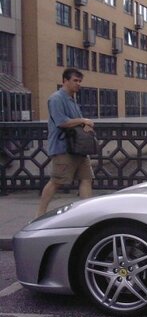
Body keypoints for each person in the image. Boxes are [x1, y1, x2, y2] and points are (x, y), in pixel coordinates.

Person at [36, 68, 95, 218]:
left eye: (80, 81)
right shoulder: (56, 98)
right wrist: (83, 120)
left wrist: (85, 125)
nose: (78, 84)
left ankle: (86, 214)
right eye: (75, 80)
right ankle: (39, 214)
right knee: (56, 181)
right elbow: (61, 122)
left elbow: (76, 121)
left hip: (78, 147)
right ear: (65, 81)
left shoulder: (72, 99)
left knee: (86, 178)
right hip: (63, 148)